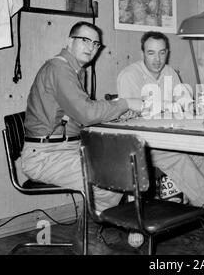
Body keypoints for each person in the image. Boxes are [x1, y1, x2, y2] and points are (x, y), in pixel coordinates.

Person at [21, 21, 139, 254]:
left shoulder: (74, 70)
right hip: (44, 156)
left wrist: (117, 112)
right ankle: (86, 238)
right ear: (69, 41)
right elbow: (86, 114)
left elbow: (81, 111)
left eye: (95, 43)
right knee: (109, 178)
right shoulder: (59, 68)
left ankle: (90, 231)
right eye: (84, 40)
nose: (91, 47)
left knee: (121, 167)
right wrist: (126, 103)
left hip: (64, 149)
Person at [117, 31, 204, 209]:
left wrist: (191, 106)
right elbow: (134, 114)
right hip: (139, 143)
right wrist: (168, 106)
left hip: (168, 137)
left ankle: (198, 207)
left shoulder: (169, 72)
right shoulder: (129, 75)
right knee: (178, 157)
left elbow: (183, 100)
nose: (157, 59)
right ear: (142, 53)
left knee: (203, 156)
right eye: (151, 53)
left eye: (162, 52)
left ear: (167, 52)